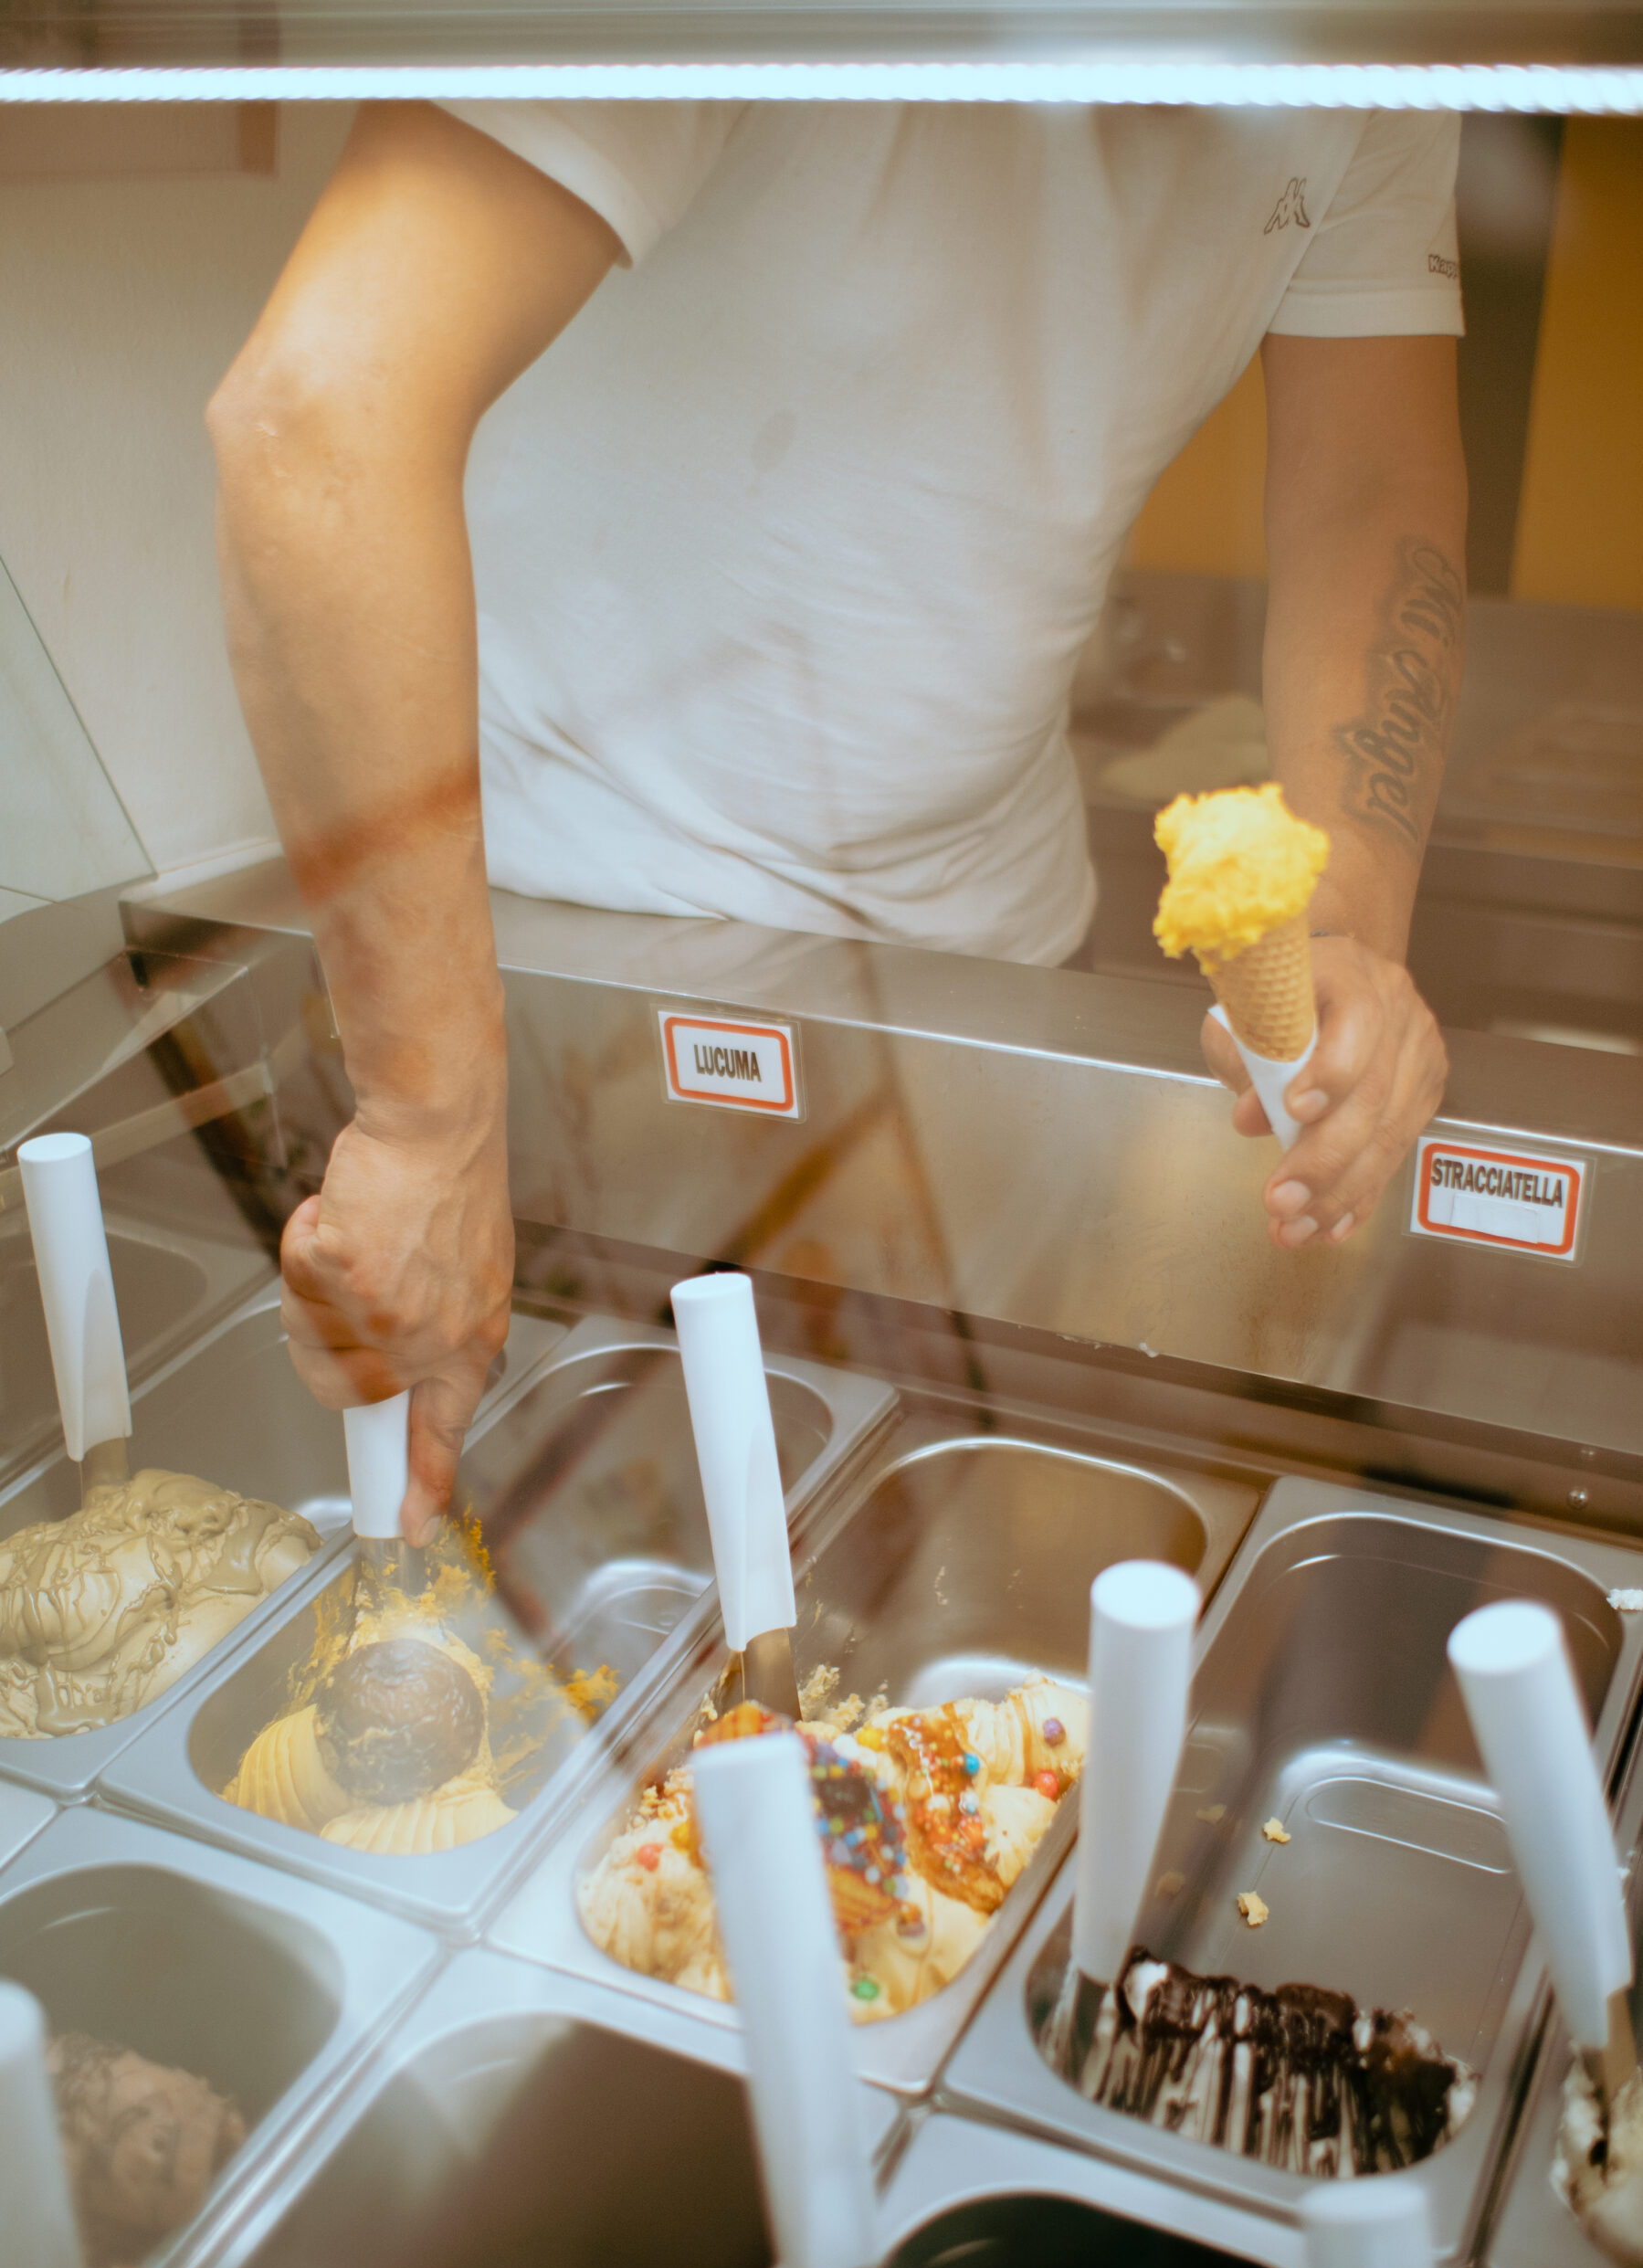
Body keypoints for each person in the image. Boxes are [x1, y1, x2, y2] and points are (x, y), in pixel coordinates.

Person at [209, 100, 1466, 1538]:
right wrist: (429, 1115)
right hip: (545, 1018)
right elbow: (316, 418)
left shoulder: (1382, 56)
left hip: (985, 1000)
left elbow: (1370, 483)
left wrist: (1351, 908)